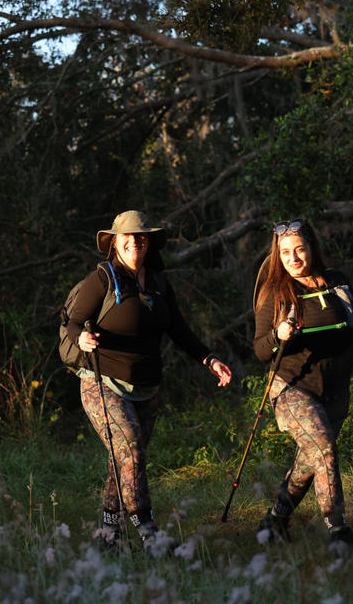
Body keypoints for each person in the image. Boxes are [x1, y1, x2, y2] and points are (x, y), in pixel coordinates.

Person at [68, 210, 233, 550]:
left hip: (146, 388)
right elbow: (73, 321)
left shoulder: (158, 282)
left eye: (141, 236)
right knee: (130, 451)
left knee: (126, 459)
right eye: (127, 236)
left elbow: (178, 329)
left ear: (149, 242)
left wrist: (209, 358)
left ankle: (108, 534)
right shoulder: (102, 278)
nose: (134, 242)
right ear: (114, 242)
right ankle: (148, 531)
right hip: (102, 382)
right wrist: (80, 339)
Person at [252, 219, 353, 549]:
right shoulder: (276, 292)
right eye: (285, 252)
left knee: (309, 463)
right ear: (278, 256)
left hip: (335, 392)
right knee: (324, 450)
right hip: (292, 389)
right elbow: (259, 350)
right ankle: (338, 531)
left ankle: (274, 520)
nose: (294, 258)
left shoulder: (337, 284)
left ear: (312, 248)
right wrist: (277, 335)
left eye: (299, 249)